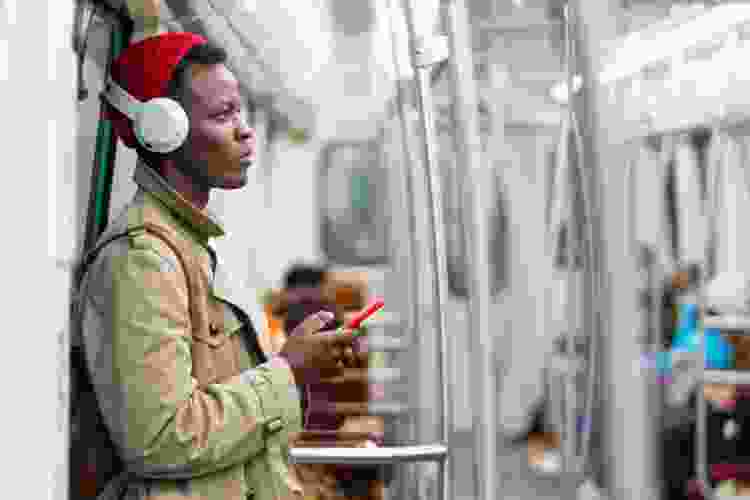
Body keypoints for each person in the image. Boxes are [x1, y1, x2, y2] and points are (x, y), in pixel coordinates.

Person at [74, 32, 358, 500]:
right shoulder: (141, 260)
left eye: (241, 112)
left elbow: (227, 425)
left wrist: (303, 370)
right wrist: (288, 373)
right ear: (165, 130)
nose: (245, 131)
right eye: (223, 115)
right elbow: (161, 437)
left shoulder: (192, 248)